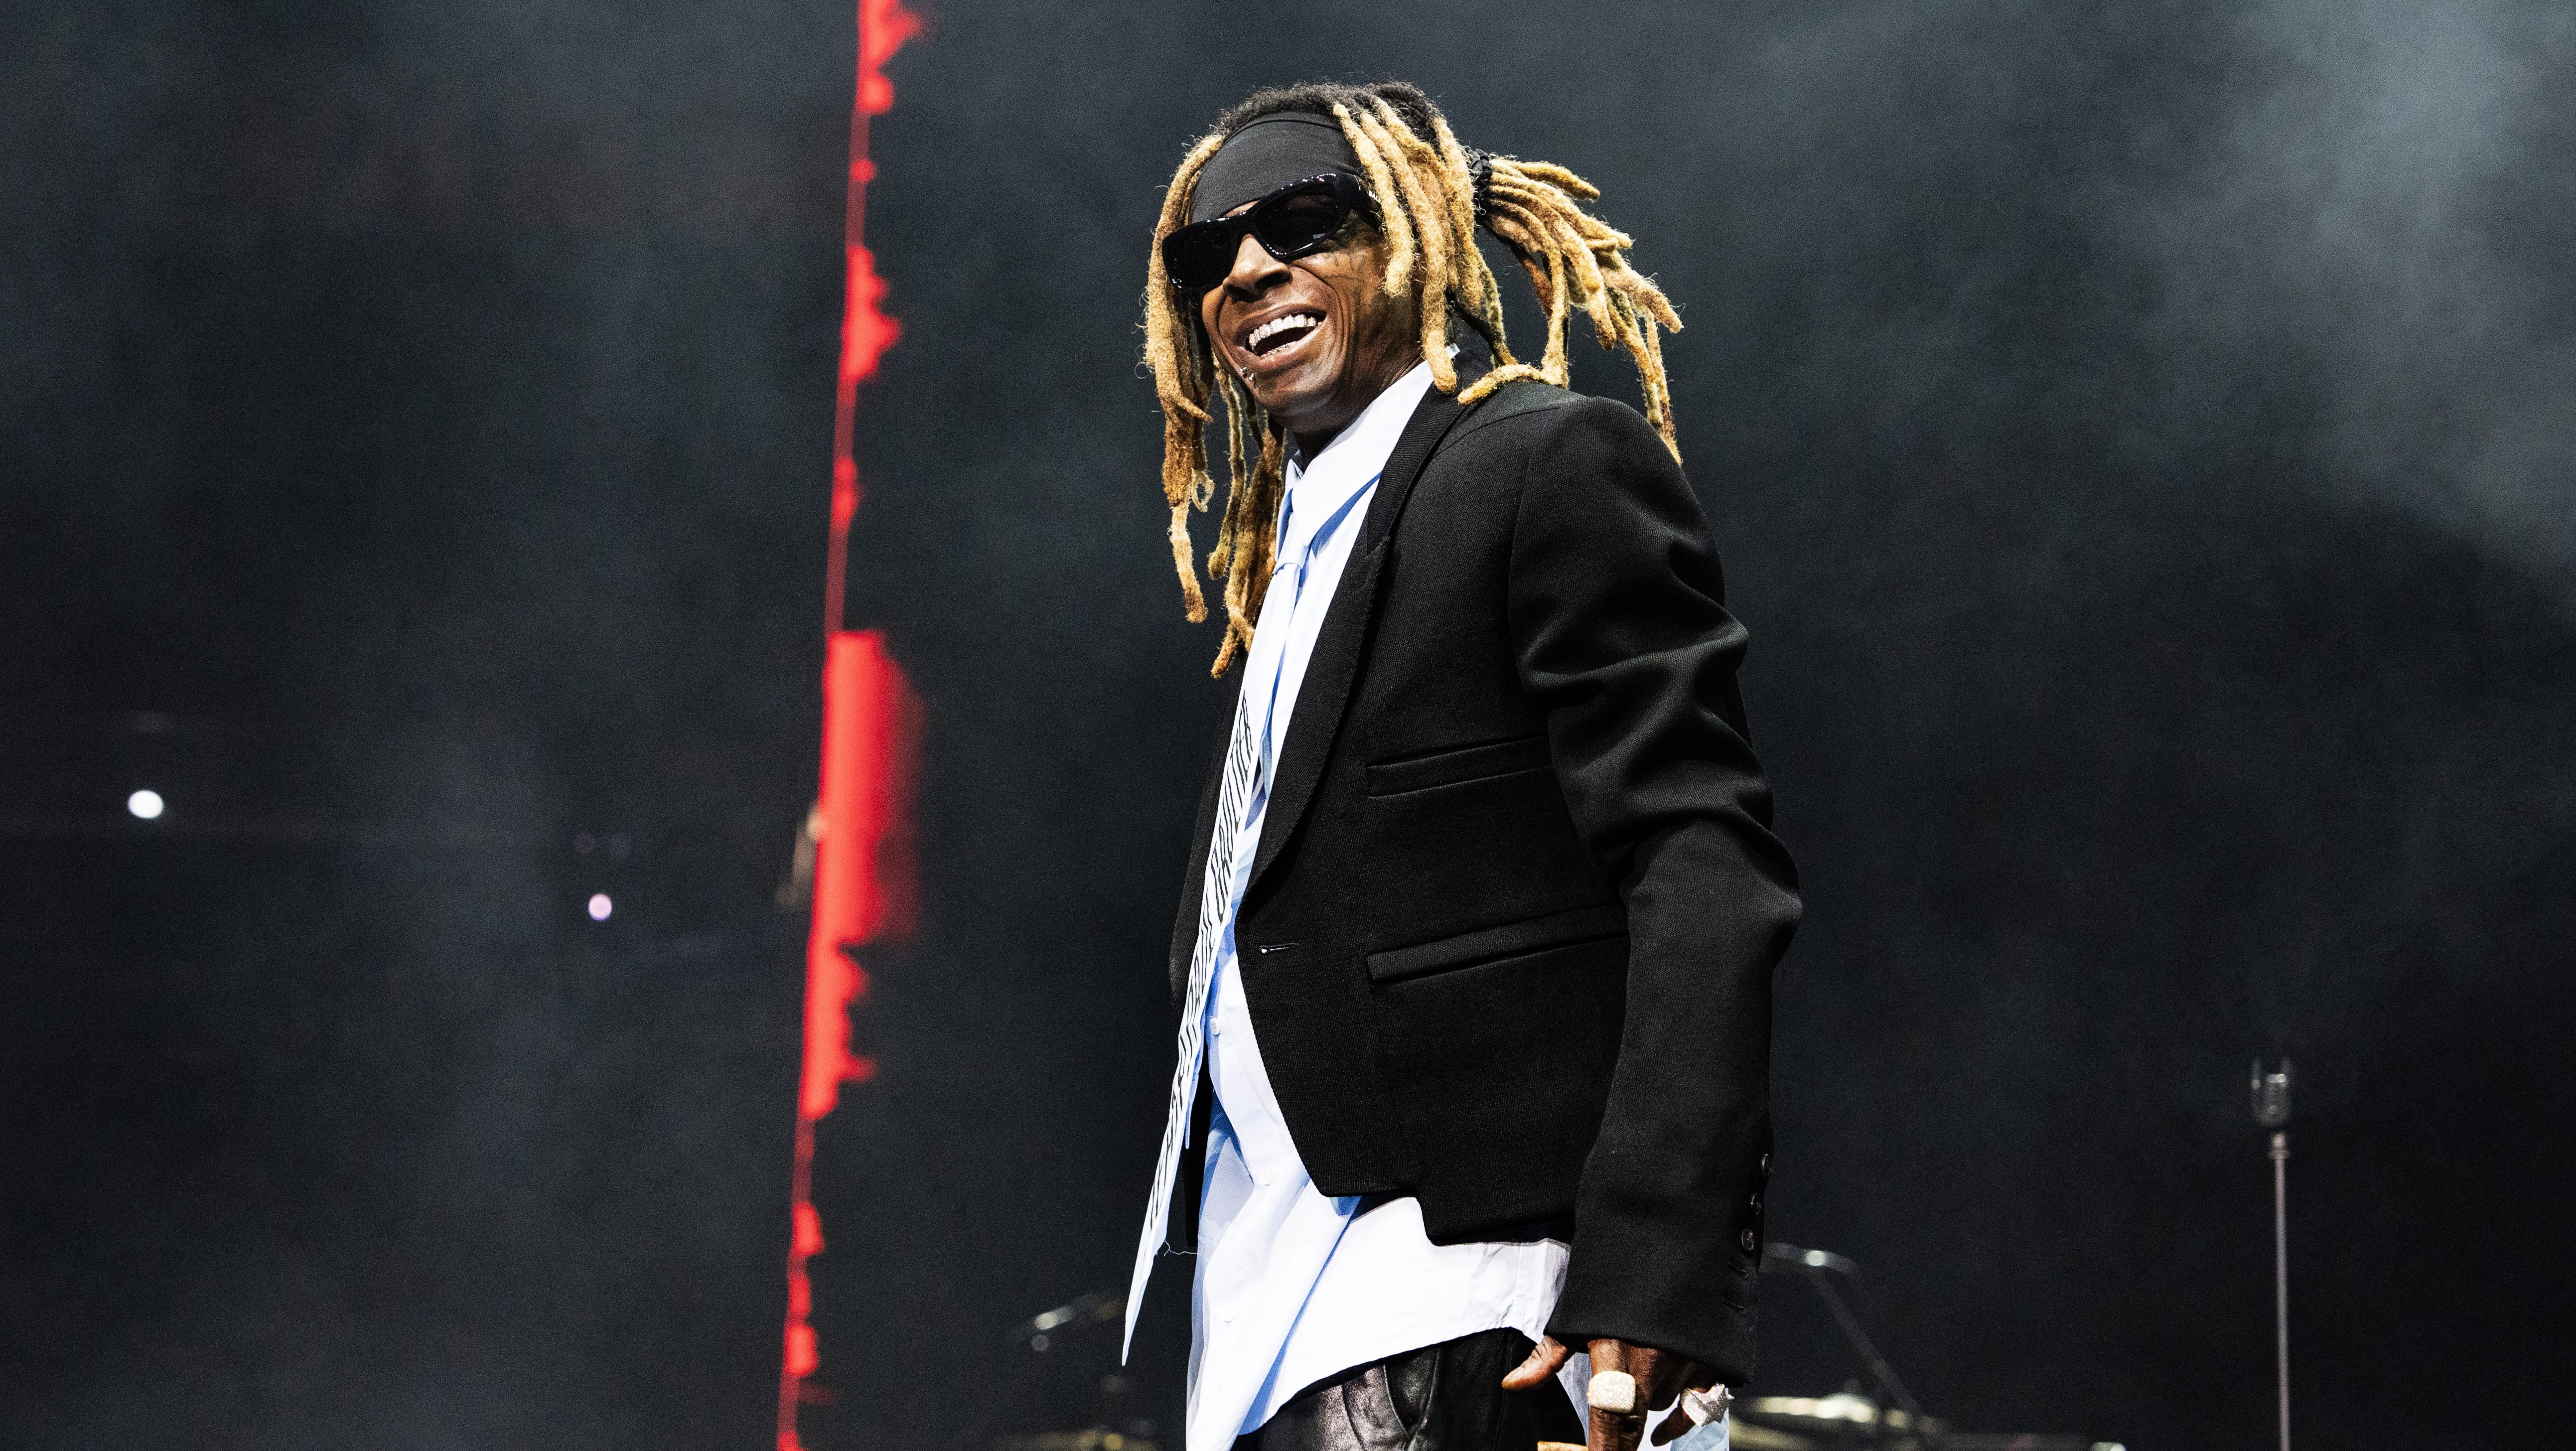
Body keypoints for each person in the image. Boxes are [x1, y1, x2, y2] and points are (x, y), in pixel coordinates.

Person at [1122, 81, 1799, 1451]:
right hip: (1267, 1336)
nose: (1247, 269)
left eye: (1304, 223)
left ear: (1414, 235)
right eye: (1206, 256)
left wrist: (1651, 1267)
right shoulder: (1297, 559)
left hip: (1471, 1304)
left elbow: (1700, 867)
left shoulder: (1539, 463)